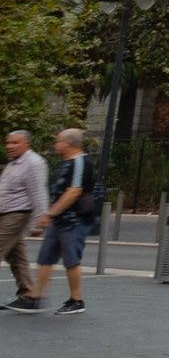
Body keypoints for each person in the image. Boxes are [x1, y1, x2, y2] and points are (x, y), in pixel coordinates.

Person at [23, 130, 91, 316]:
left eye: (58, 141)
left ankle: (77, 300)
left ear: (69, 143)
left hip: (74, 220)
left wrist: (50, 214)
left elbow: (74, 191)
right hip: (60, 219)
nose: (55, 144)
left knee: (71, 260)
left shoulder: (79, 162)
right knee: (46, 257)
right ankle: (35, 297)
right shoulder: (67, 162)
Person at [2, 131, 46, 313]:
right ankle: (29, 295)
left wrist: (40, 219)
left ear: (26, 143)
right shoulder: (14, 162)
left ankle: (29, 295)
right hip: (7, 214)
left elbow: (38, 192)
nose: (9, 146)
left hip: (17, 215)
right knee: (16, 256)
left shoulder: (33, 163)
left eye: (15, 142)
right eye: (8, 142)